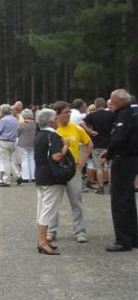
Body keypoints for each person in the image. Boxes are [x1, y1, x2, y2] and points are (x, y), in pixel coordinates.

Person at [99, 89, 138, 252]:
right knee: (128, 199)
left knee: (119, 199)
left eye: (113, 100)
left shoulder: (125, 114)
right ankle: (133, 236)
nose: (111, 102)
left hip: (123, 158)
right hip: (132, 157)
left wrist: (109, 152)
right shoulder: (133, 113)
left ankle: (122, 240)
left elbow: (119, 137)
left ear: (122, 100)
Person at [49, 101, 92, 243]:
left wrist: (82, 163)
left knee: (76, 202)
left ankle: (80, 231)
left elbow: (89, 144)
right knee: (54, 203)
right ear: (57, 115)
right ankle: (51, 231)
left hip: (73, 171)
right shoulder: (53, 131)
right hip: (56, 171)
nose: (68, 114)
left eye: (69, 112)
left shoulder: (76, 128)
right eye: (65, 112)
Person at [33, 108, 68, 255]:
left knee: (42, 208)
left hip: (40, 175)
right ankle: (42, 242)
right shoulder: (53, 136)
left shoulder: (39, 135)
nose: (57, 120)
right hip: (52, 177)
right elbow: (56, 157)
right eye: (55, 118)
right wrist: (66, 146)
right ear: (51, 121)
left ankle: (42, 241)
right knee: (48, 210)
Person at [81, 97, 114, 194]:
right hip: (109, 143)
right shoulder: (111, 114)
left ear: (96, 105)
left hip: (97, 142)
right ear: (104, 105)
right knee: (110, 166)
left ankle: (101, 187)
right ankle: (112, 188)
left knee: (98, 166)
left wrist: (90, 131)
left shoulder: (92, 115)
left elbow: (81, 123)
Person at [0, 103, 20, 186]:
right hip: (13, 141)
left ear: (2, 111)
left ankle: (7, 181)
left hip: (4, 141)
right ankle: (18, 175)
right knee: (10, 160)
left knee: (5, 161)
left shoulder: (3, 120)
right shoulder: (15, 119)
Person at [16, 109, 37, 183]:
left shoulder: (22, 124)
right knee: (32, 159)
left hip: (23, 143)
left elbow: (17, 133)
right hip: (33, 143)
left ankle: (25, 177)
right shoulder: (36, 124)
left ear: (24, 116)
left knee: (24, 159)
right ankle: (34, 176)